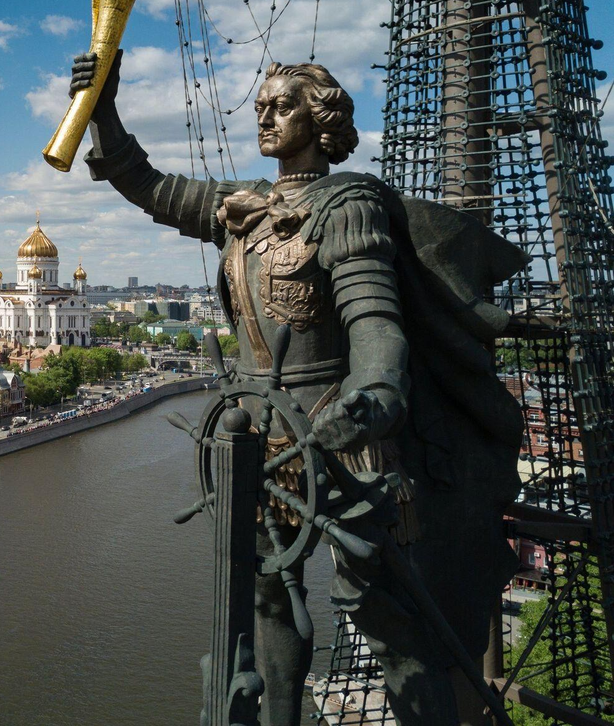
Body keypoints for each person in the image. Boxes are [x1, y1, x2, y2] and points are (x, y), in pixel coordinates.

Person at [71, 50, 525, 726]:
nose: (266, 116)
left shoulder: (347, 205)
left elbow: (375, 324)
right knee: (265, 600)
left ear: (321, 120)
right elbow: (147, 185)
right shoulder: (243, 204)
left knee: (387, 615)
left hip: (341, 438)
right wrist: (101, 107)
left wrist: (372, 398)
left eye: (283, 106)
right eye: (261, 107)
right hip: (256, 441)